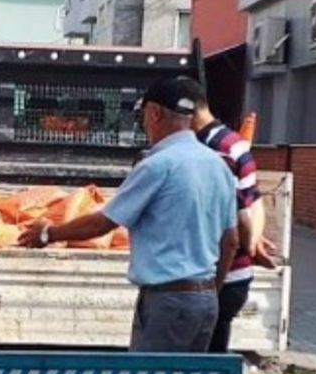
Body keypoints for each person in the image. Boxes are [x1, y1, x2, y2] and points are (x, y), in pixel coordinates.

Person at [18, 77, 239, 352]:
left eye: (143, 115)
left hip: (167, 302)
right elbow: (230, 241)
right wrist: (209, 291)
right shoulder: (219, 166)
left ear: (155, 113)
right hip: (205, 301)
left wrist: (47, 232)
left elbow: (103, 223)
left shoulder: (158, 165)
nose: (144, 124)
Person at [188, 83, 279, 353]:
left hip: (219, 278)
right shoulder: (232, 142)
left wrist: (213, 287)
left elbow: (237, 222)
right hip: (234, 276)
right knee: (211, 361)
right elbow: (253, 199)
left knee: (201, 368)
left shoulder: (216, 150)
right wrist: (252, 244)